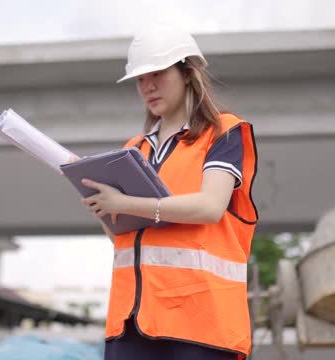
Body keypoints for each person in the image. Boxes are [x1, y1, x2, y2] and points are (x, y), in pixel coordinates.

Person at [77, 25, 258, 360]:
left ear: (187, 72)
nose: (147, 87)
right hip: (131, 321)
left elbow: (210, 207)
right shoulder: (133, 149)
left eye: (157, 74)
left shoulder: (223, 132)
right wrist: (105, 209)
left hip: (202, 322)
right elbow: (125, 236)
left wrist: (127, 202)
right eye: (140, 79)